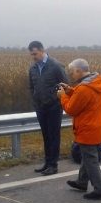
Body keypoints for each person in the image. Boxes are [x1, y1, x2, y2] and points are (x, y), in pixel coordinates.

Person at [57, 59, 101, 200]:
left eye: (72, 72)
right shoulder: (96, 82)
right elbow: (84, 98)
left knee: (90, 160)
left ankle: (100, 190)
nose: (71, 75)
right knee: (87, 157)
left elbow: (71, 109)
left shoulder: (84, 88)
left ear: (79, 71)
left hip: (87, 128)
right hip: (97, 126)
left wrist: (62, 97)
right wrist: (70, 91)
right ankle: (81, 182)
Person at [28, 41, 68, 176]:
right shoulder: (33, 69)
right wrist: (35, 101)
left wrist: (56, 99)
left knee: (54, 135)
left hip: (54, 107)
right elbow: (32, 87)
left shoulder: (55, 65)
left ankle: (53, 165)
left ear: (42, 50)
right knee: (46, 136)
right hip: (40, 107)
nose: (33, 56)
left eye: (35, 53)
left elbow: (65, 84)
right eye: (31, 54)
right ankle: (47, 162)